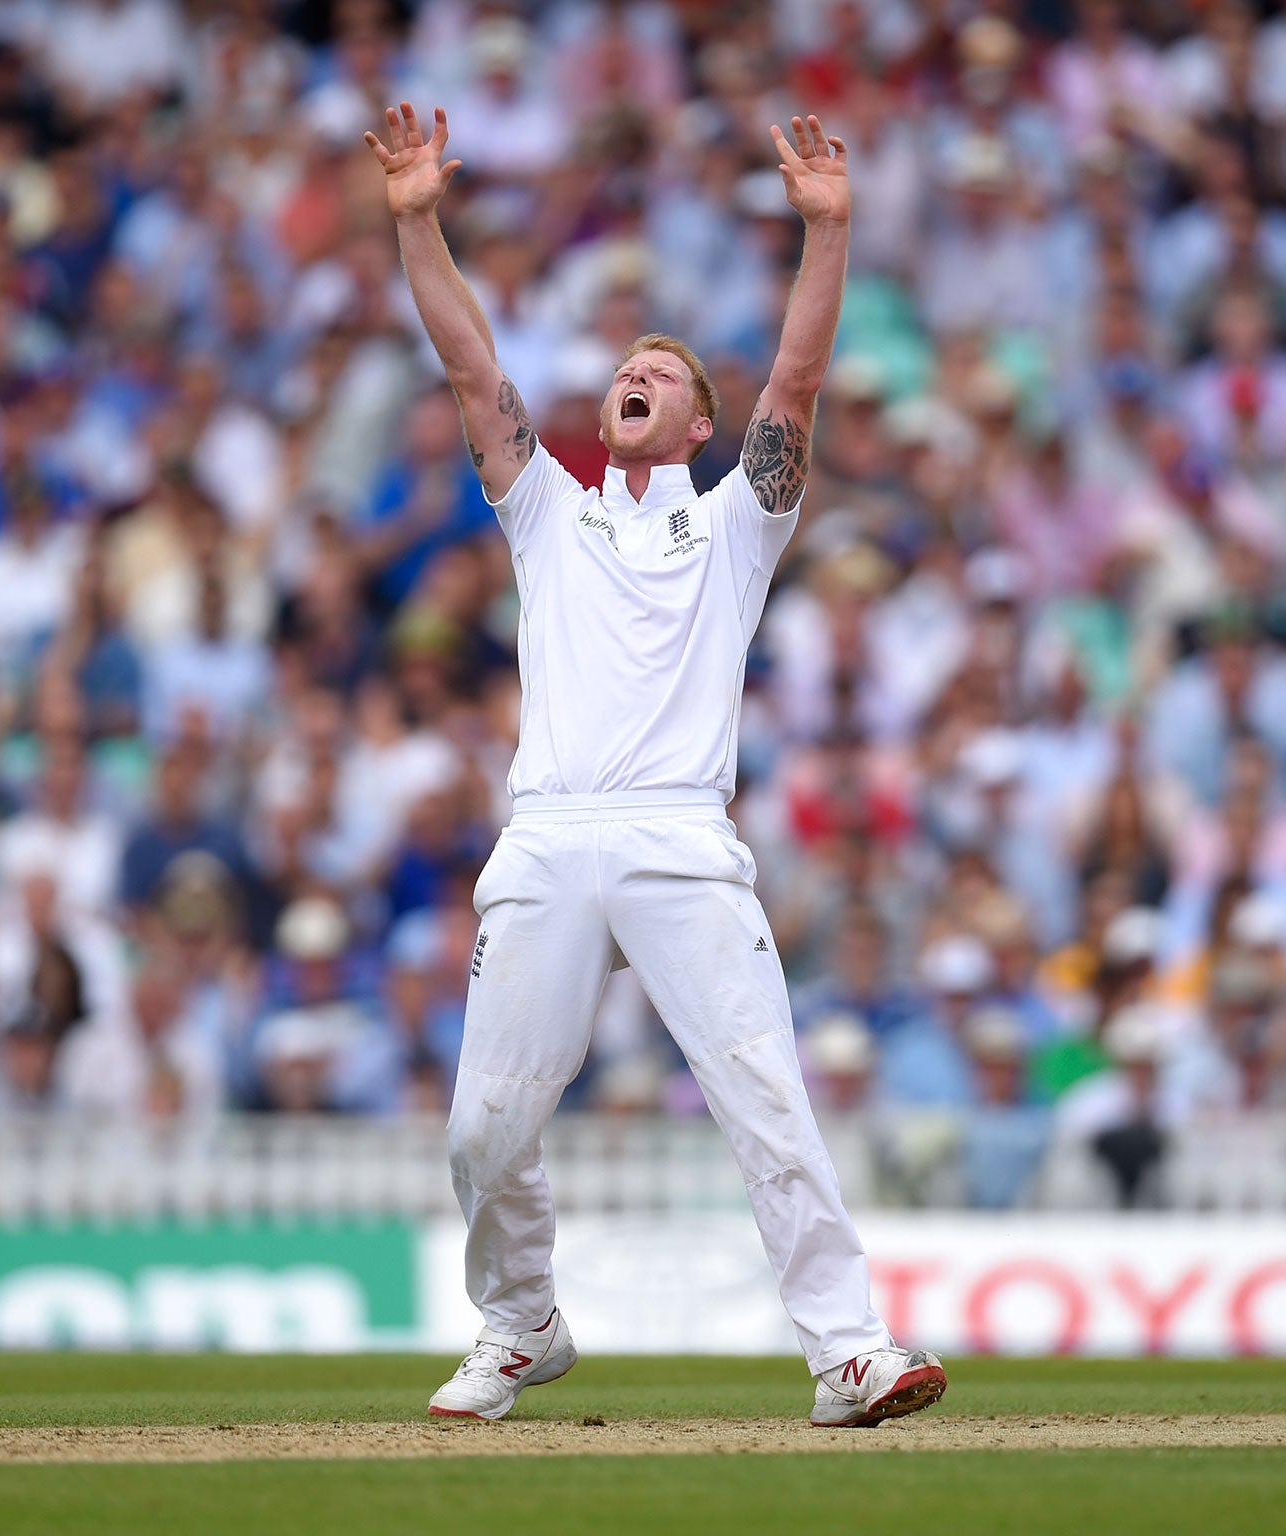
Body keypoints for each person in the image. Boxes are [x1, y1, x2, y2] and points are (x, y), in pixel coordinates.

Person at [367, 101, 946, 1428]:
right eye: (625, 363)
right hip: (552, 828)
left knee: (763, 1095)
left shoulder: (738, 524)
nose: (635, 371)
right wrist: (419, 225)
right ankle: (521, 1321)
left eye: (665, 370)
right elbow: (471, 368)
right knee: (482, 1130)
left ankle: (848, 1349)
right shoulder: (547, 511)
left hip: (683, 832)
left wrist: (828, 235)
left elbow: (794, 387)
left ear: (694, 428)